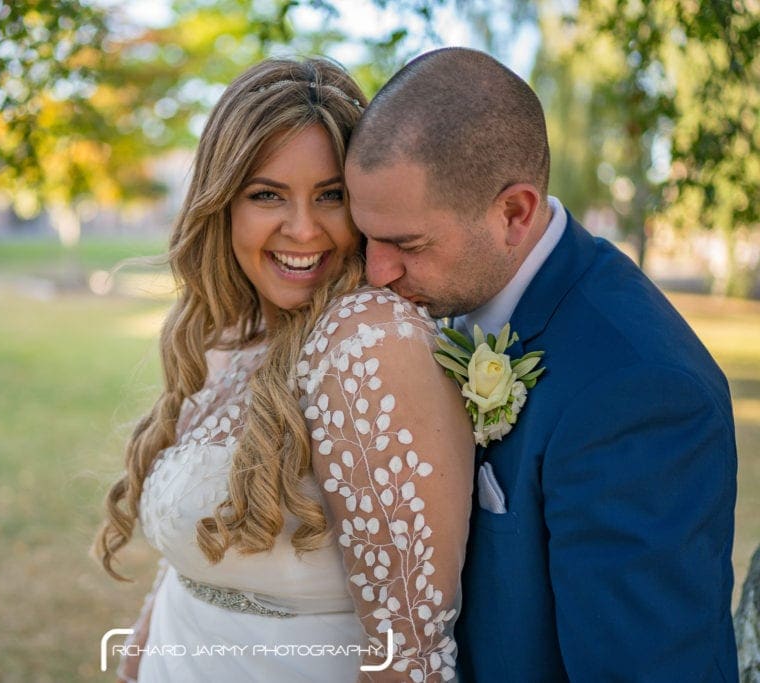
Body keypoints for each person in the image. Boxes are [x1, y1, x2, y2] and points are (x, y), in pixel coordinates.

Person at [345, 46, 738, 681]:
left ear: (514, 213)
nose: (376, 272)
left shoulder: (641, 392)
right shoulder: (449, 293)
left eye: (407, 244)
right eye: (368, 238)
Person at [94, 57, 474, 682]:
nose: (303, 229)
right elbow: (189, 569)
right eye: (267, 194)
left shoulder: (370, 342)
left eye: (330, 196)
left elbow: (409, 657)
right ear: (222, 207)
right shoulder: (233, 334)